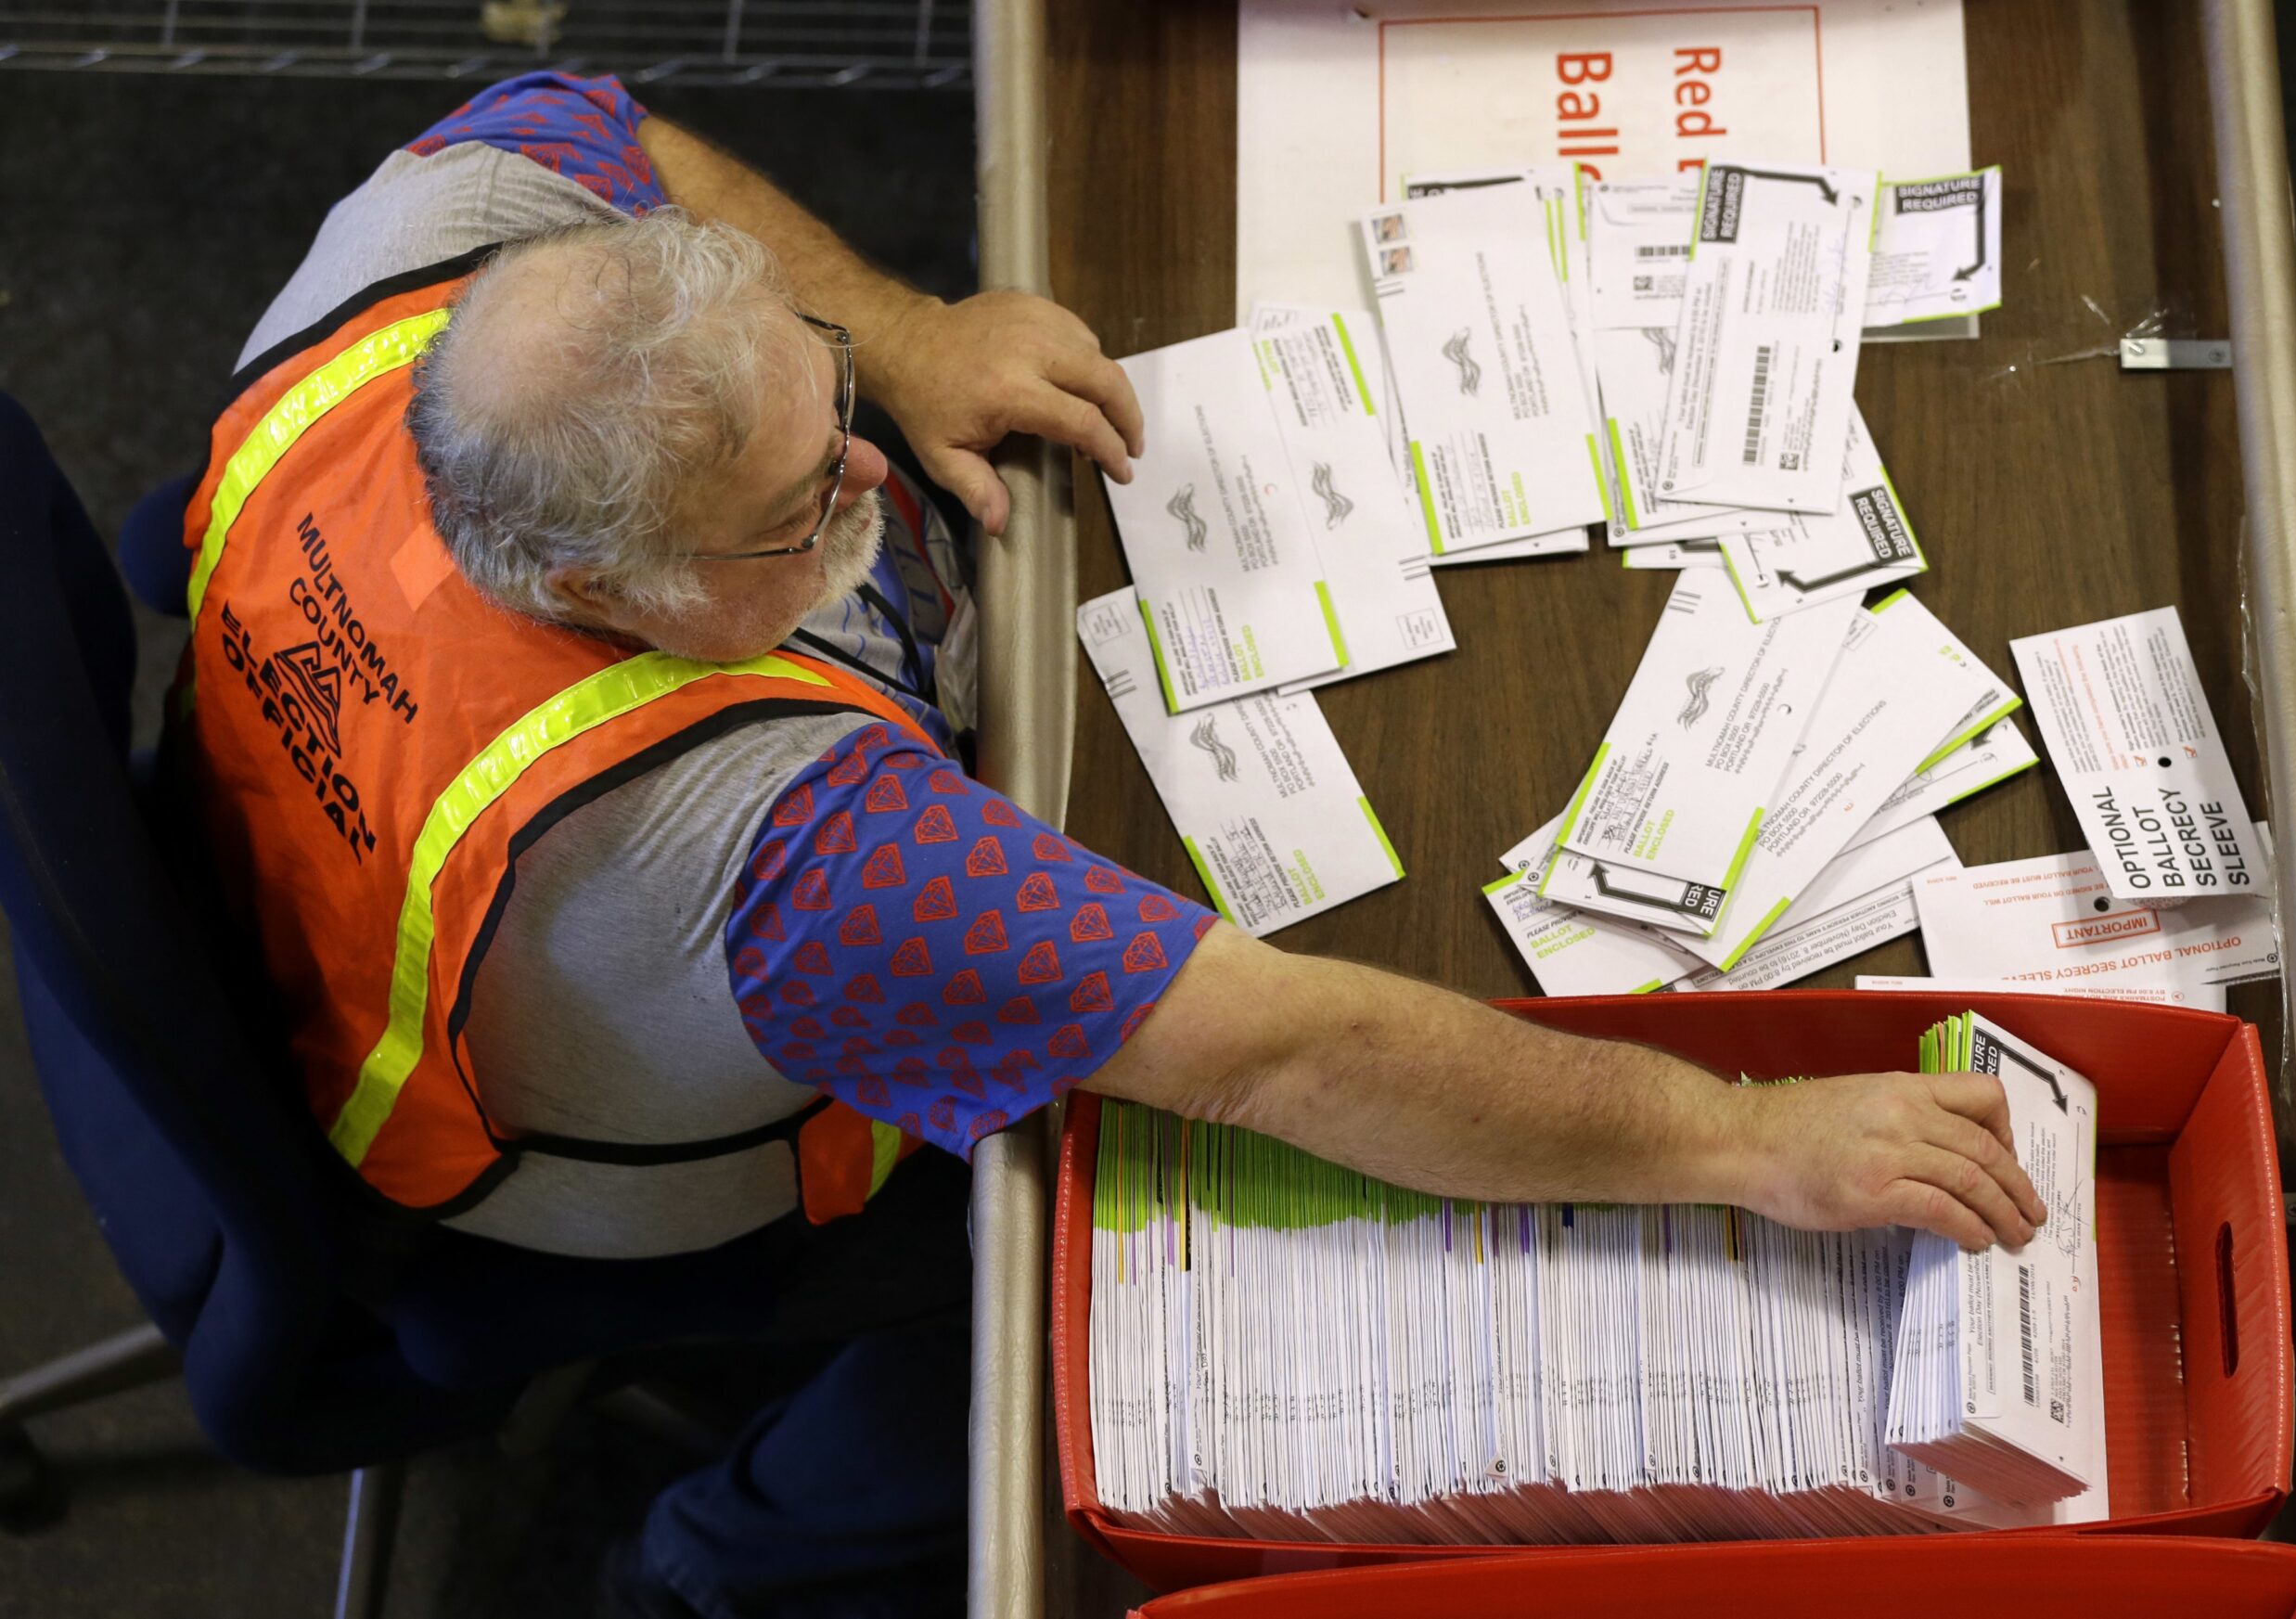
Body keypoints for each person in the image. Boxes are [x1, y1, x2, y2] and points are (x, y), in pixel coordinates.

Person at [176, 72, 2044, 1619]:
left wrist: (900, 336)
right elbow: (1290, 1048)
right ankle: (729, 1565)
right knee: (1071, 1235)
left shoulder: (437, 238)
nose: (861, 483)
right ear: (604, 581)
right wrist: (1746, 1137)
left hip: (301, 860)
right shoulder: (807, 865)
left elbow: (613, 126)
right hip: (567, 1175)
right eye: (788, 511)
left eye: (832, 411)